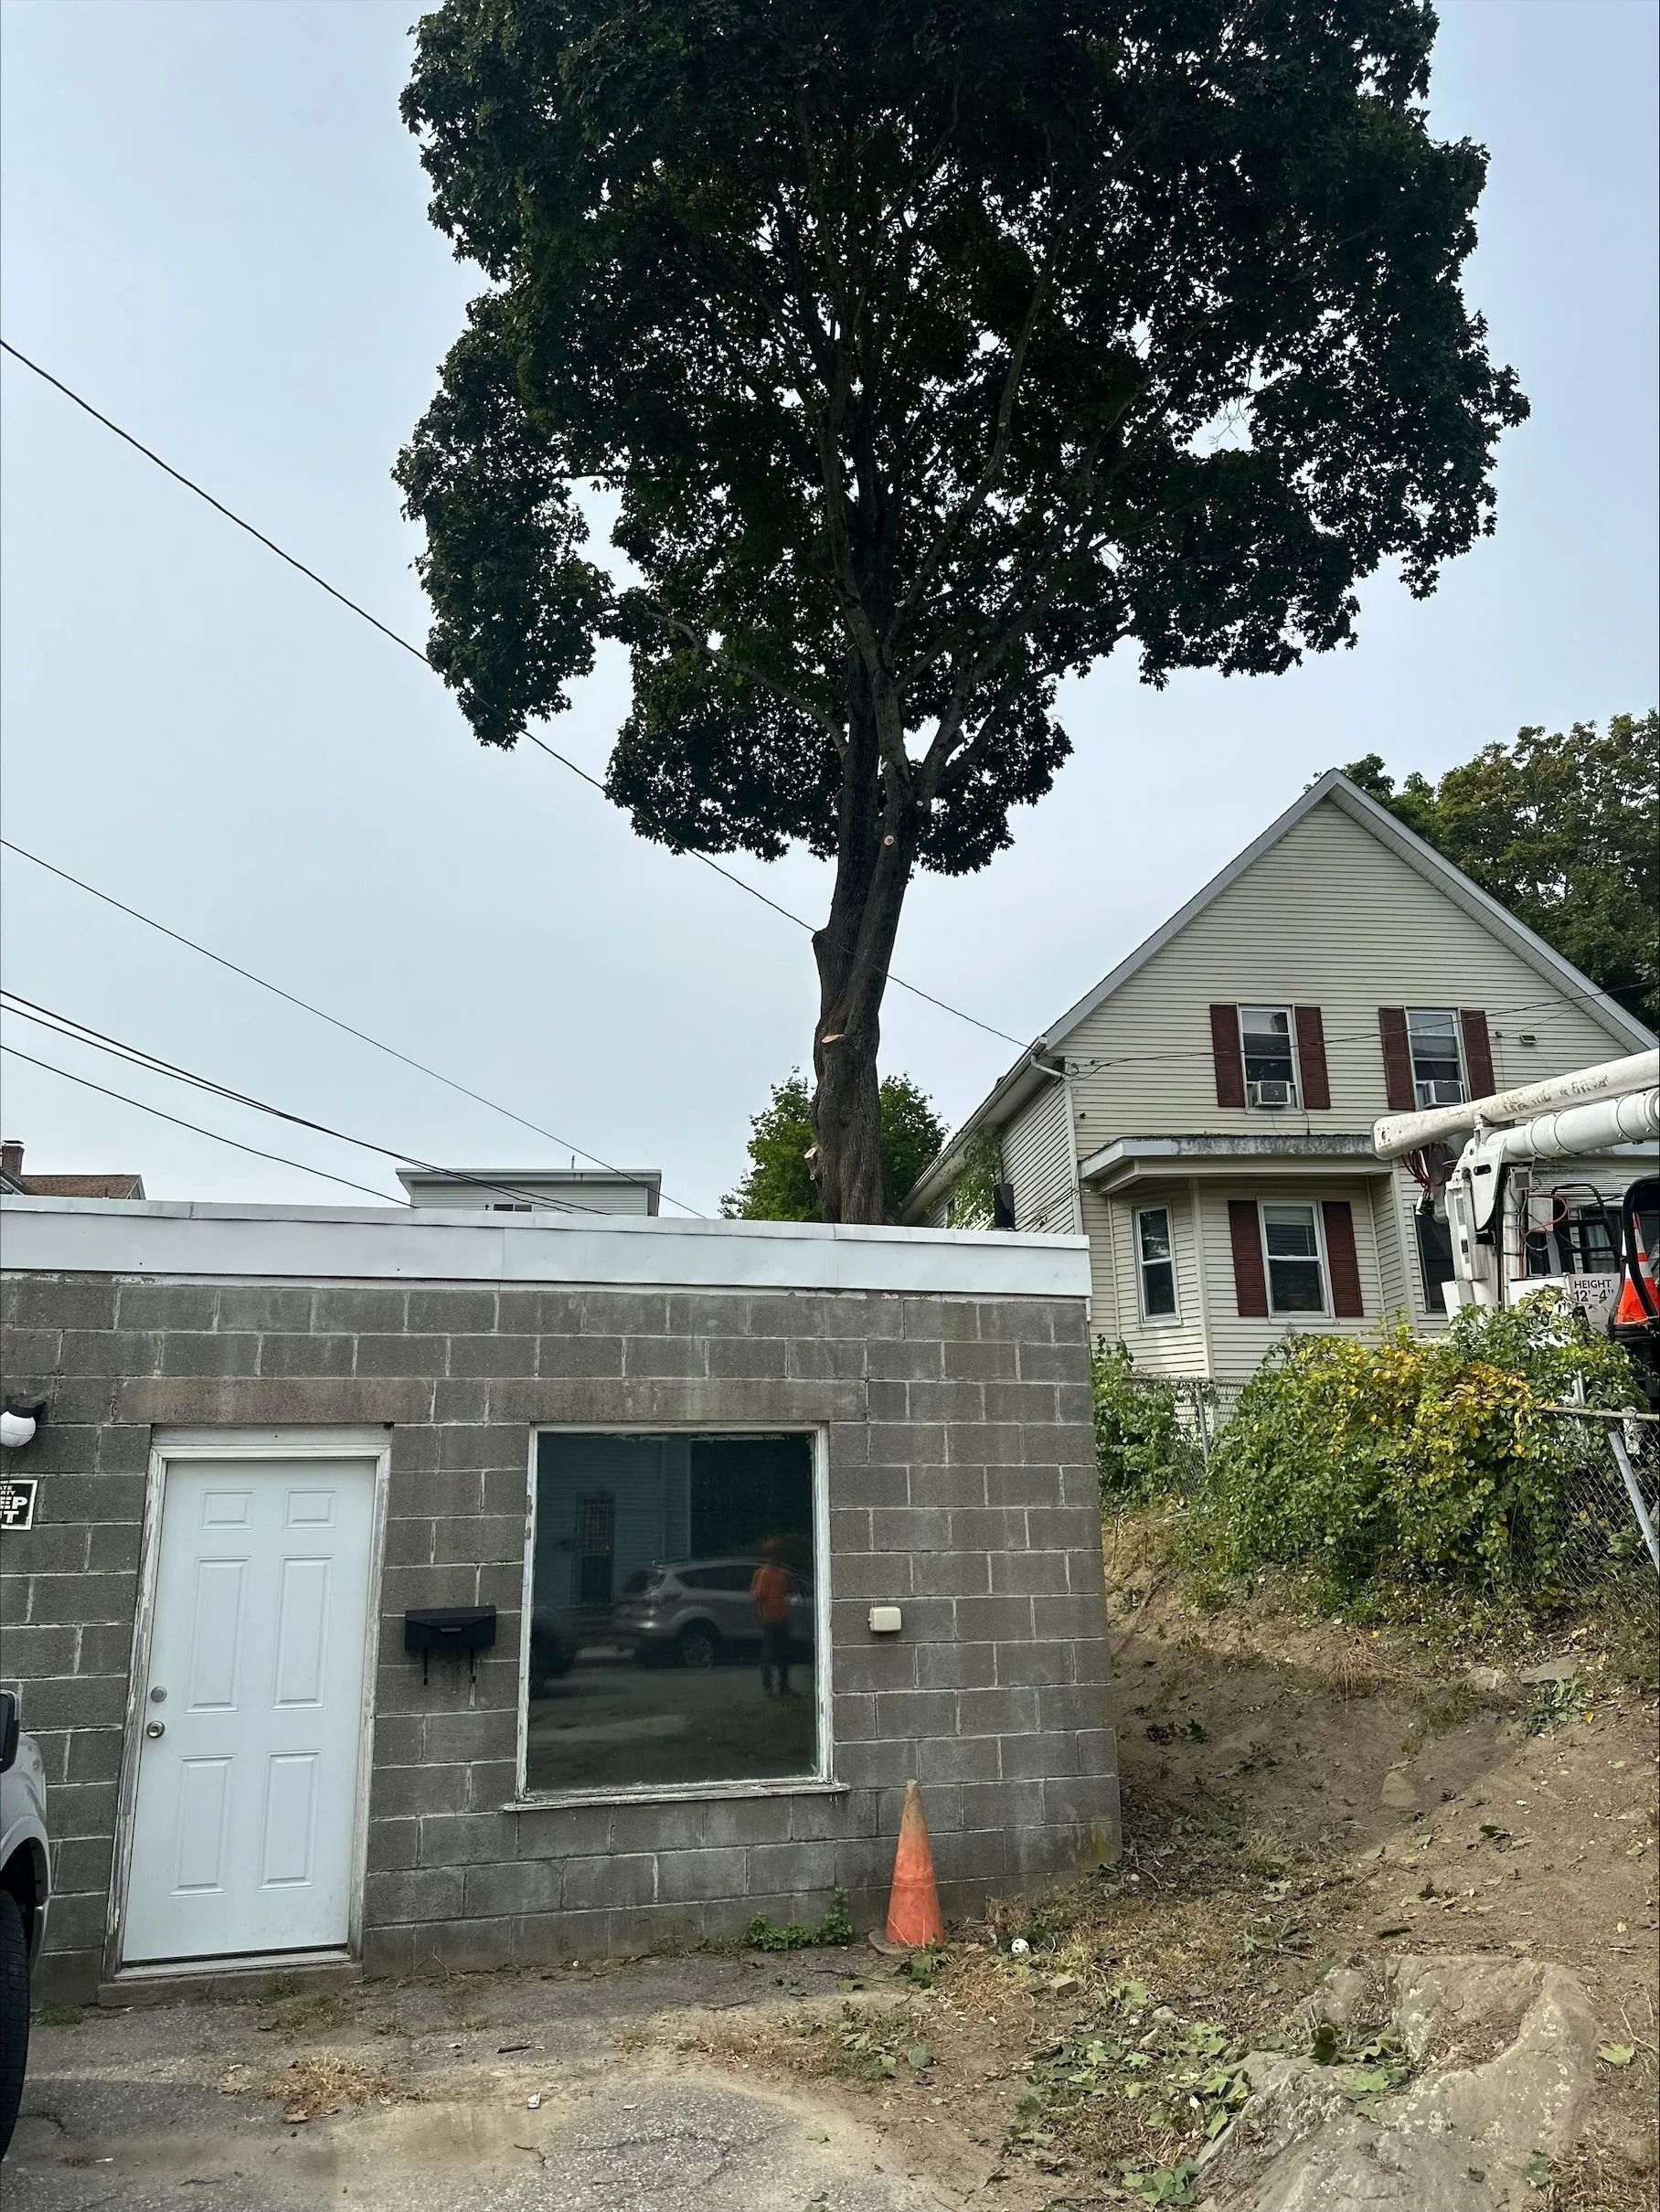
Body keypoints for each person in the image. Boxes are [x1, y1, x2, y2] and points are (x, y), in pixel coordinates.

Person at [750, 1538, 793, 1696]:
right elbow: (758, 1596)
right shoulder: (764, 1574)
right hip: (769, 1618)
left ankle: (783, 1686)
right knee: (769, 1655)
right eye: (773, 1553)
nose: (775, 1556)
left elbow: (788, 1591)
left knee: (781, 1653)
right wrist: (760, 1615)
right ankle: (769, 1687)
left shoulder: (781, 1573)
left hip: (781, 1616)